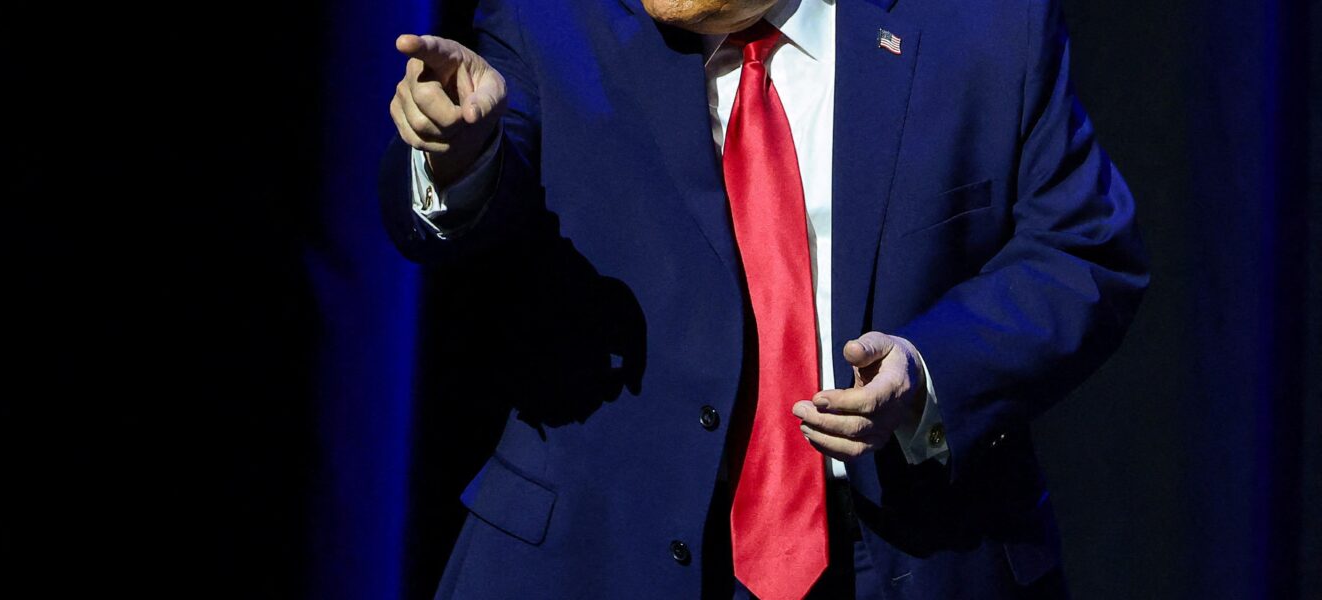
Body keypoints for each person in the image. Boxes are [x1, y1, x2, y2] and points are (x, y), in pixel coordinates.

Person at [376, 0, 1148, 597]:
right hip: (603, 548)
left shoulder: (982, 22)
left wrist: (927, 374)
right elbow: (475, 185)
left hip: (908, 551)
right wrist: (457, 155)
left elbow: (1081, 249)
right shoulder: (553, 17)